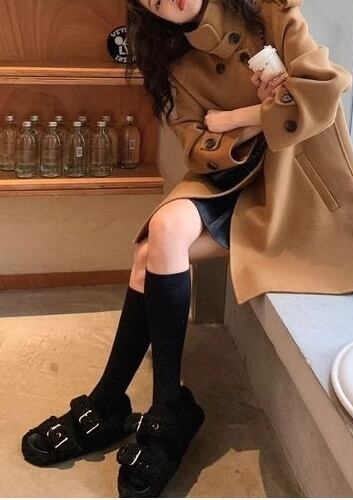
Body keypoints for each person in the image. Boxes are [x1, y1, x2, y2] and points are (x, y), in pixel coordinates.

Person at [20, 0, 295, 497]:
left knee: (153, 250)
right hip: (227, 179)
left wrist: (237, 116)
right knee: (161, 232)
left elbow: (322, 92)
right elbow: (197, 148)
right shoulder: (175, 59)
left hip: (287, 188)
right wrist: (261, 118)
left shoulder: (272, 12)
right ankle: (161, 405)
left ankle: (116, 403)